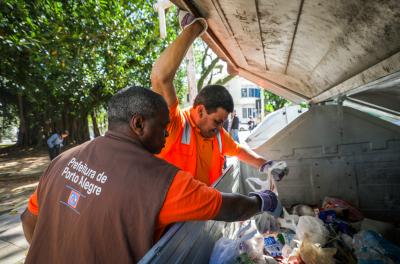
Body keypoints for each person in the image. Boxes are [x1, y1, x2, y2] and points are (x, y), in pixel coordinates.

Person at [20, 86, 282, 263]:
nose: (168, 134)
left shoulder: (63, 160)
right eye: (164, 127)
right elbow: (230, 208)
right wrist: (262, 200)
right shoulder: (162, 181)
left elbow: (28, 219)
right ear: (138, 124)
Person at [151, 10, 288, 186]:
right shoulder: (175, 123)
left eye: (222, 122)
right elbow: (160, 78)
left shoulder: (216, 134)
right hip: (174, 212)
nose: (220, 128)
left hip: (206, 209)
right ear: (200, 110)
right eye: (217, 121)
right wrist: (194, 29)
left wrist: (265, 164)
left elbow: (238, 150)